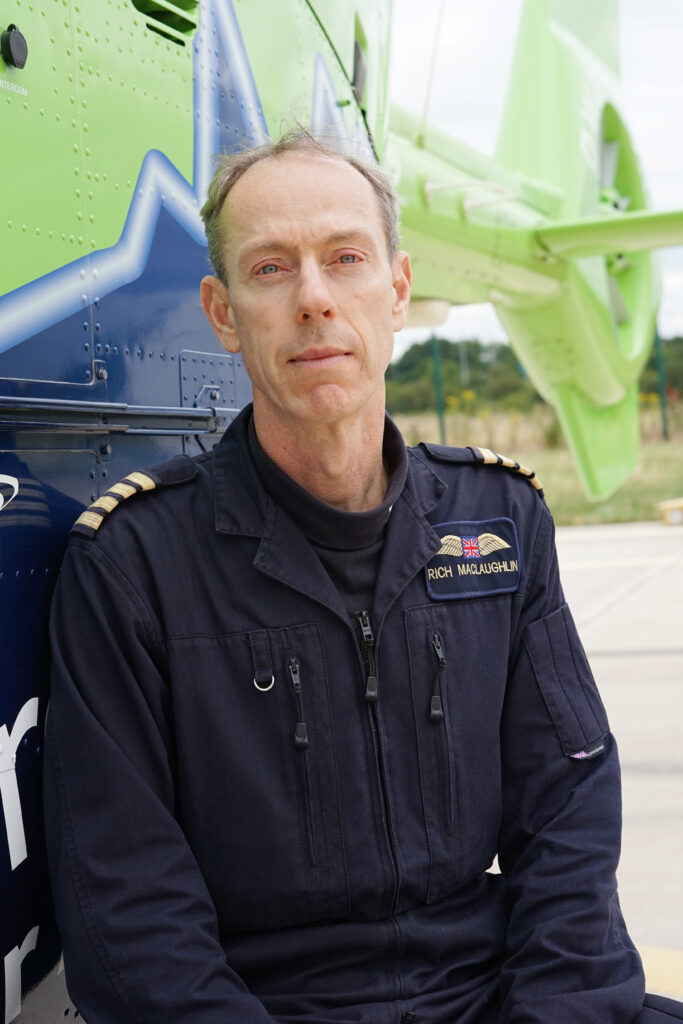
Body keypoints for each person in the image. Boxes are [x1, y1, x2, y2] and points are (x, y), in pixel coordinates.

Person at [44, 131, 683, 1024]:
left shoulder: (497, 522)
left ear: (396, 289)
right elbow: (129, 916)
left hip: (493, 996)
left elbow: (568, 812)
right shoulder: (133, 564)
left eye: (344, 259)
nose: (313, 299)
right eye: (270, 269)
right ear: (223, 314)